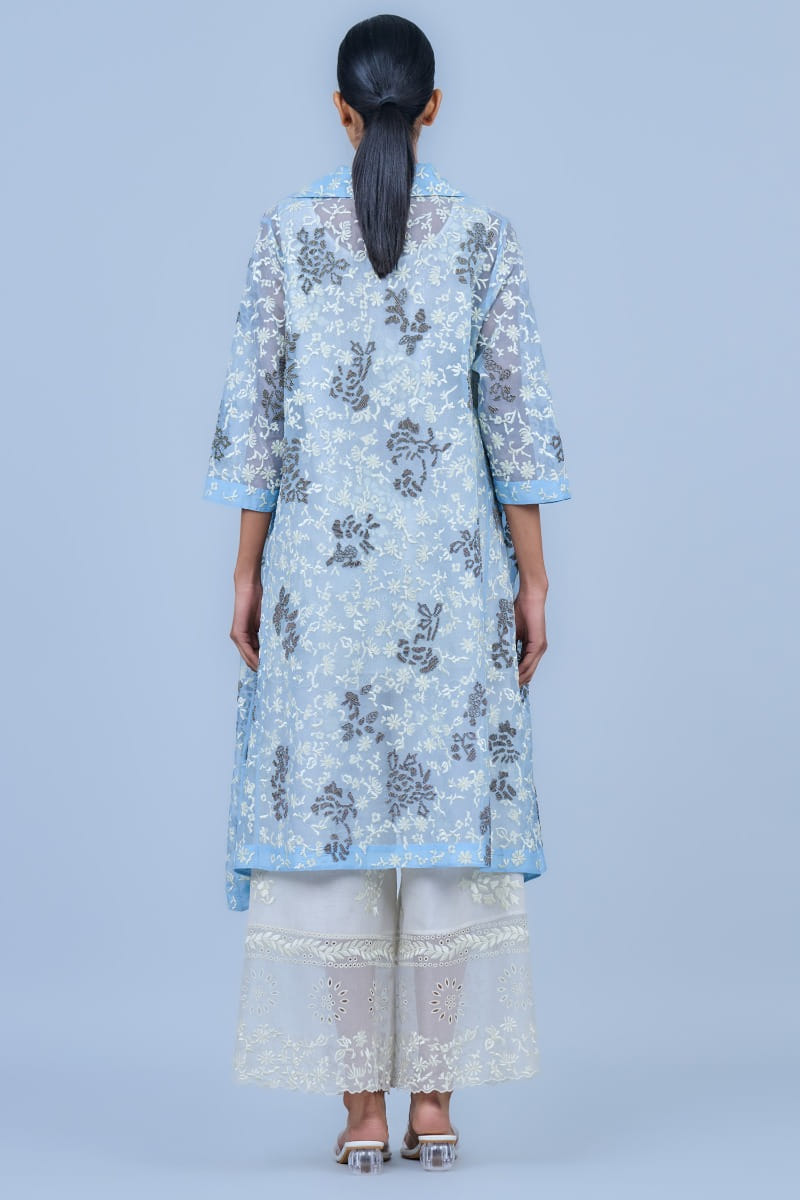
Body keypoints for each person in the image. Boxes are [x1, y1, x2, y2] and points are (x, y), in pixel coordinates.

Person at [201, 12, 572, 1174]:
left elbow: (254, 423)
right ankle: (434, 1111)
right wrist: (535, 582)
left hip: (319, 589)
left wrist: (246, 570)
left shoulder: (282, 236)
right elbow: (514, 424)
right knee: (448, 842)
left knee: (335, 851)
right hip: (449, 586)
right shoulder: (482, 238)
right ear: (433, 108)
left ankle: (361, 1116)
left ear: (341, 111)